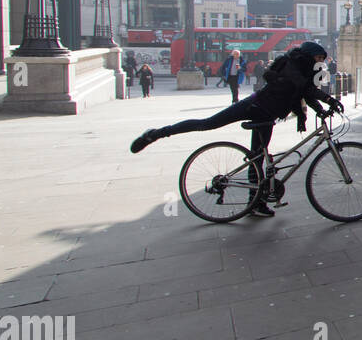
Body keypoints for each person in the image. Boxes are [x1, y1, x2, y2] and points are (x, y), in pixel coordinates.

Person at [129, 41, 343, 218]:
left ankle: (255, 203)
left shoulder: (302, 69)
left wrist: (322, 109)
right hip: (254, 106)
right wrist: (328, 100)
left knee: (257, 157)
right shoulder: (291, 65)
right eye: (319, 58)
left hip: (266, 116)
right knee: (207, 124)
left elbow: (303, 92)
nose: (320, 63)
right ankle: (156, 134)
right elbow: (305, 88)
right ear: (310, 55)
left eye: (322, 60)